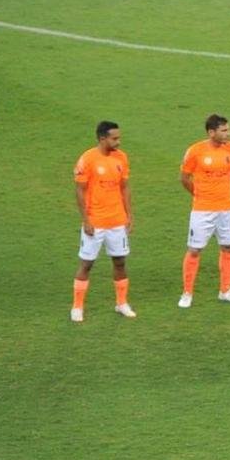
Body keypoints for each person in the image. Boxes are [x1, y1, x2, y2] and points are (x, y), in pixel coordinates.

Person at [178, 114, 230, 308]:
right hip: (202, 210)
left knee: (229, 247)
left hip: (226, 208)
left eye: (228, 129)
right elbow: (184, 177)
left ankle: (226, 291)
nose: (228, 133)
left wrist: (220, 192)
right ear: (211, 132)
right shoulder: (195, 151)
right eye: (224, 130)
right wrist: (199, 195)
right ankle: (187, 293)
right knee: (195, 249)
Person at [70, 121, 135, 321]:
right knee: (87, 264)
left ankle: (121, 303)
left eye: (119, 137)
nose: (118, 141)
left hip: (117, 221)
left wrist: (129, 215)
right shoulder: (87, 159)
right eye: (114, 138)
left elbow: (124, 187)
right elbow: (79, 191)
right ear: (102, 138)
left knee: (120, 262)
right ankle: (77, 307)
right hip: (95, 222)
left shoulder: (121, 158)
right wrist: (86, 220)